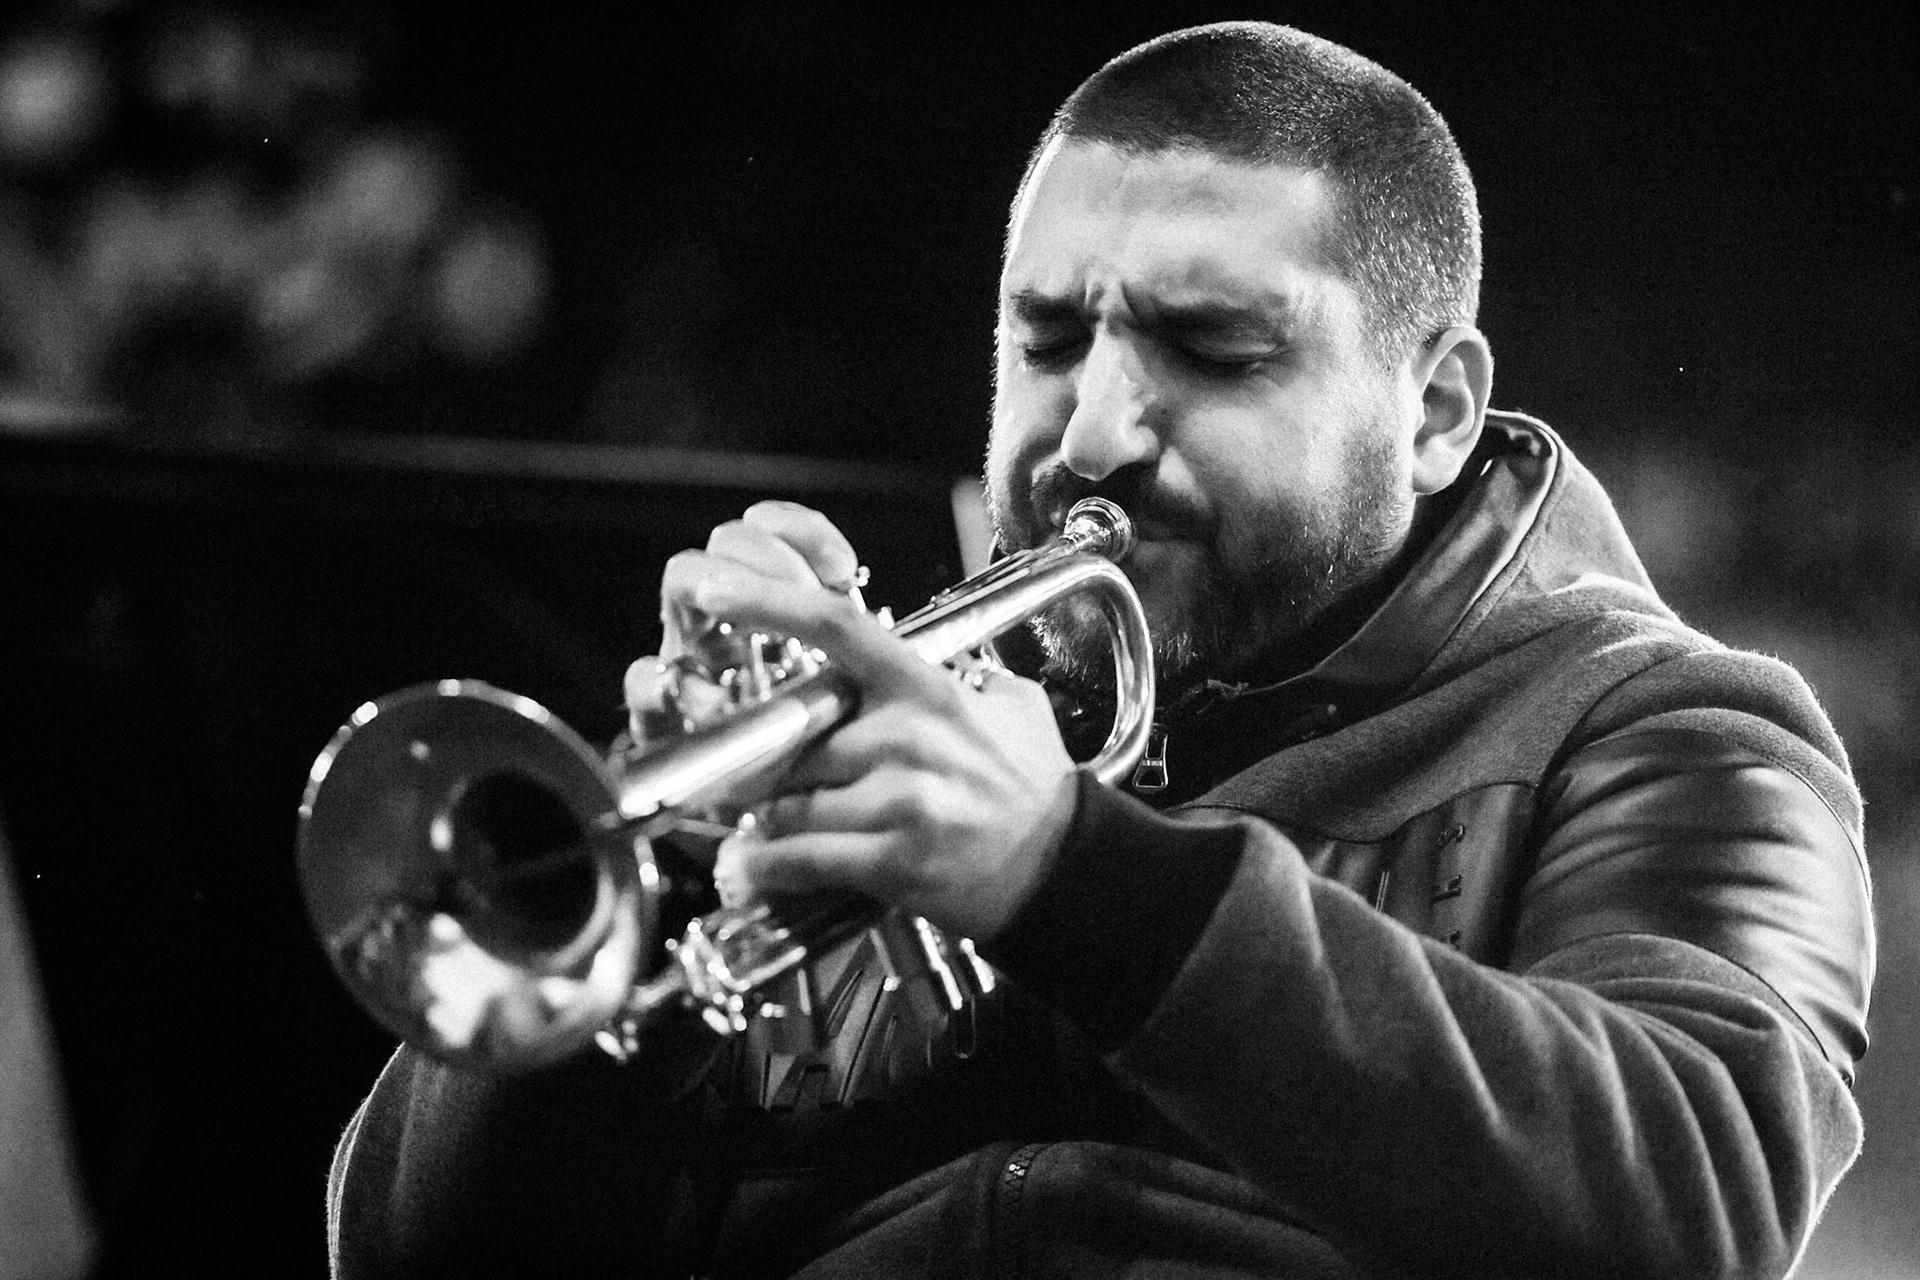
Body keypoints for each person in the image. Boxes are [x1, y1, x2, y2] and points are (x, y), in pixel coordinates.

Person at [326, 22, 1874, 1278]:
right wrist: (656, 888)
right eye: (1050, 339)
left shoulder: (1677, 734)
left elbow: (1696, 1203)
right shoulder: (901, 720)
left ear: (1437, 409)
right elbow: (403, 1254)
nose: (1095, 433)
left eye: (1211, 351)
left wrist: (1073, 874)